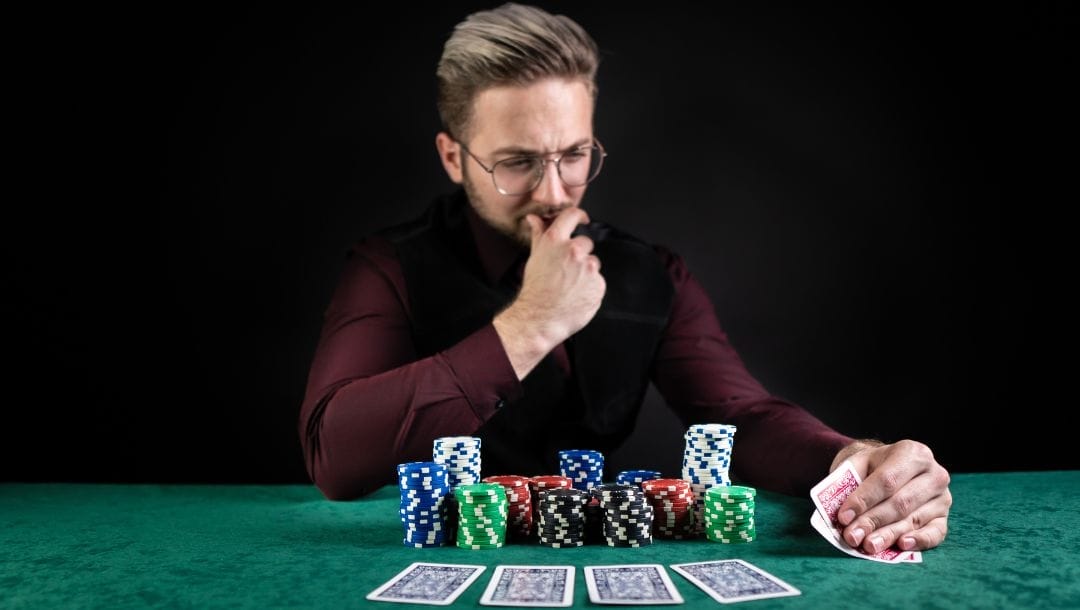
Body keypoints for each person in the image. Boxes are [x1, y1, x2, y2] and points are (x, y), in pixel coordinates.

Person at [298, 2, 951, 555]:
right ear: (453, 158)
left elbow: (740, 417)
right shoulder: (388, 268)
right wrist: (530, 325)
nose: (554, 192)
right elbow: (334, 461)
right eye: (517, 162)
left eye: (575, 154)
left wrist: (851, 459)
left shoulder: (650, 273)